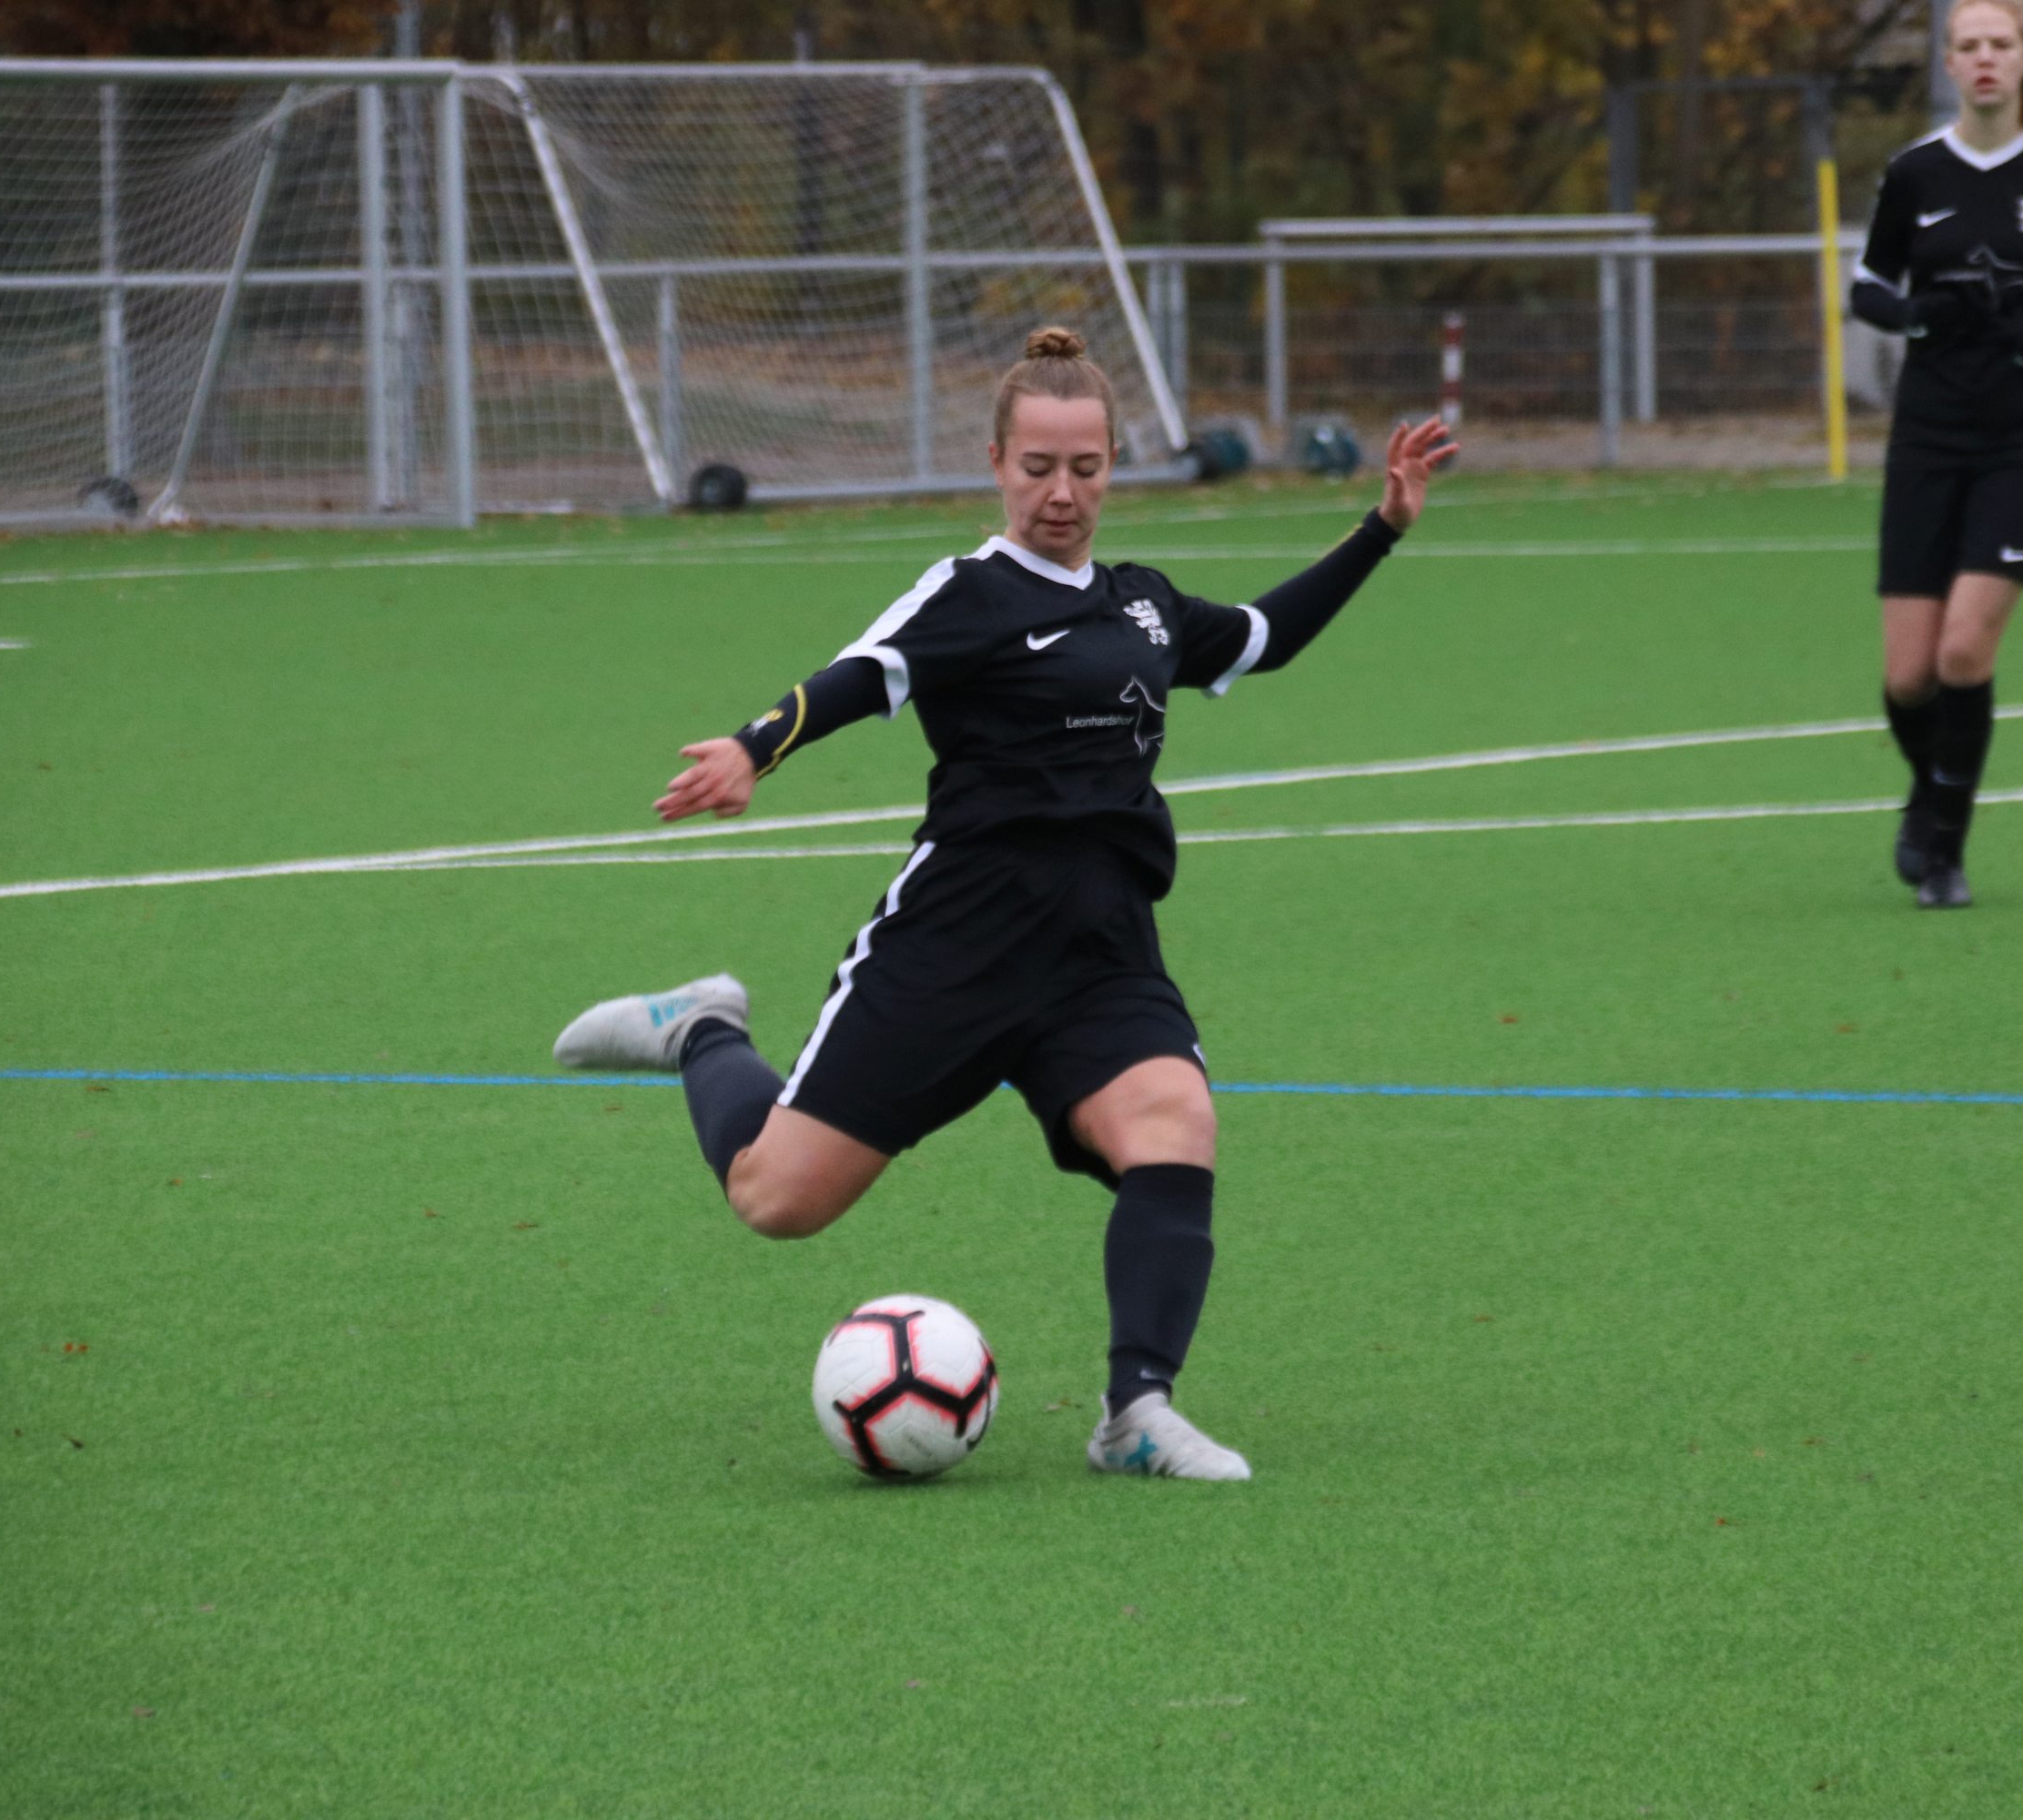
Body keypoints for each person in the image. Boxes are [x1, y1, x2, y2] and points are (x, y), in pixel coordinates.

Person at [551, 327, 1458, 1481]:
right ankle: (704, 1027)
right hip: (955, 948)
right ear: (996, 463)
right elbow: (858, 674)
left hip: (1098, 953)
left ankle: (1136, 1410)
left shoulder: (1143, 606)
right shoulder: (972, 594)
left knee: (1175, 1122)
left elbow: (1267, 639)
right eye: (1038, 467)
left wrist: (1382, 527)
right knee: (776, 1200)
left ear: (1113, 467)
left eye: (1085, 467)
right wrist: (750, 746)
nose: (1062, 493)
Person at [1849, 0, 2023, 907]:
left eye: (1998, 44)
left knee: (1963, 652)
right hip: (1927, 431)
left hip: (2022, 436)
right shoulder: (1914, 173)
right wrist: (1915, 315)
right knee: (1907, 673)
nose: (1982, 59)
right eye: (1967, 45)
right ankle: (1928, 791)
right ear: (1949, 63)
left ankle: (1946, 850)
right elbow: (1868, 287)